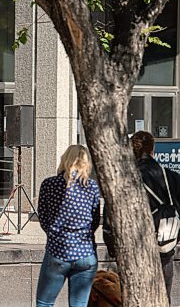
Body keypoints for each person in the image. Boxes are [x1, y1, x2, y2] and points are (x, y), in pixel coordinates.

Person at [104, 131, 180, 303]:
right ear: (153, 150)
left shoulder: (122, 179)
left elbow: (110, 218)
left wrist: (113, 248)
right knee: (163, 297)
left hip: (133, 248)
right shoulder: (171, 177)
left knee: (132, 298)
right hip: (165, 246)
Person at [36, 145, 100, 307]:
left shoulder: (49, 184)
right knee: (79, 305)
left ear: (65, 159)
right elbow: (95, 220)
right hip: (86, 253)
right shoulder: (91, 187)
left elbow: (43, 217)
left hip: (58, 251)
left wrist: (55, 233)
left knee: (44, 303)